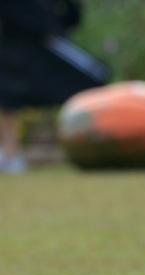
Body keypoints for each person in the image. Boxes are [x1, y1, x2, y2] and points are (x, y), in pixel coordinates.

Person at [0, 0, 106, 173]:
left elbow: (71, 10)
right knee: (6, 95)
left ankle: (98, 144)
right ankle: (10, 154)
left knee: (94, 80)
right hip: (14, 43)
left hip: (46, 41)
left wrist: (55, 26)